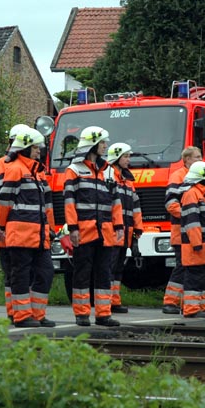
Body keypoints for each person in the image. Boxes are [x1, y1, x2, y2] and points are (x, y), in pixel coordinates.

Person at [0, 128, 56, 328]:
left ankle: (37, 314)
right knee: (20, 275)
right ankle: (22, 315)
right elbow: (3, 202)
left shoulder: (38, 172)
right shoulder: (15, 169)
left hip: (39, 235)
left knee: (46, 272)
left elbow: (46, 208)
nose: (39, 150)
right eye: (35, 147)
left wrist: (51, 229)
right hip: (20, 234)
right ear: (25, 148)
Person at [65, 126, 123, 327]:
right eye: (103, 143)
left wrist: (119, 226)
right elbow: (69, 202)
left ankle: (103, 314)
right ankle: (81, 314)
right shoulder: (74, 170)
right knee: (82, 273)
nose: (106, 146)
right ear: (93, 144)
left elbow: (116, 202)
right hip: (83, 231)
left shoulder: (109, 170)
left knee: (104, 273)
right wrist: (72, 228)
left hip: (105, 231)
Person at [0, 123, 30, 322]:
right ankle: (14, 311)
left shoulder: (28, 165)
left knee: (20, 272)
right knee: (12, 272)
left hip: (22, 230)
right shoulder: (0, 166)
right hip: (7, 229)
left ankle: (18, 311)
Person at [162, 146, 202, 314]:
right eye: (196, 157)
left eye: (200, 157)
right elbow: (171, 204)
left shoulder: (199, 176)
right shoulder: (178, 176)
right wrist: (189, 216)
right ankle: (170, 302)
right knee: (182, 267)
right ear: (186, 159)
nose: (200, 160)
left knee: (192, 268)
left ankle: (187, 304)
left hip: (193, 233)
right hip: (181, 233)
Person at [105, 142, 143, 314]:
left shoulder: (128, 181)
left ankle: (114, 301)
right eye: (126, 156)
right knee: (109, 267)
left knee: (118, 268)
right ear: (117, 157)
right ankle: (105, 302)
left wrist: (137, 230)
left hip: (125, 232)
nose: (129, 160)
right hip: (113, 232)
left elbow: (136, 207)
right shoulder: (109, 177)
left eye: (129, 156)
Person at [179, 161, 205, 318]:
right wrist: (196, 244)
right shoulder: (192, 194)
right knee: (195, 279)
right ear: (201, 178)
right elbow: (192, 223)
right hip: (197, 247)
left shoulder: (201, 194)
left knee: (202, 279)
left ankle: (200, 307)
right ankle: (191, 309)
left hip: (204, 247)